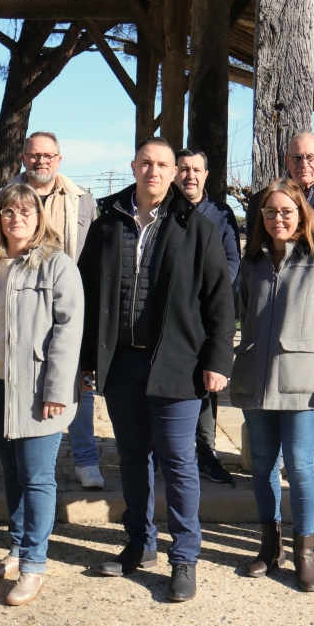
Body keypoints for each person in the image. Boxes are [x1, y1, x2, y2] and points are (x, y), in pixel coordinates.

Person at [77, 137, 234, 602]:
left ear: (174, 172)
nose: (154, 171)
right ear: (134, 166)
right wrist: (87, 360)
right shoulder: (108, 224)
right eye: (146, 163)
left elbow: (220, 300)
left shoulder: (196, 226)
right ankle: (140, 545)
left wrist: (217, 361)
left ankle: (183, 557)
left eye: (163, 164)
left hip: (177, 364)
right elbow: (87, 295)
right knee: (132, 457)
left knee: (178, 462)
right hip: (121, 363)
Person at [230, 179, 314, 591]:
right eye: (270, 212)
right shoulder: (252, 261)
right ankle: (270, 547)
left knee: (300, 466)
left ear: (302, 214)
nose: (277, 219)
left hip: (302, 380)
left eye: (286, 211)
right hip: (256, 379)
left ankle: (305, 553)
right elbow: (243, 312)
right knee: (263, 465)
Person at [0, 184, 84, 604]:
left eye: (26, 211)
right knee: (11, 471)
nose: (16, 218)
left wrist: (57, 388)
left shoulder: (57, 264)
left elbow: (68, 331)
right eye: (8, 211)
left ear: (40, 218)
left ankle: (34, 565)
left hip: (38, 388)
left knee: (37, 477)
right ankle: (19, 546)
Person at [0, 132, 104, 490]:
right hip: (20, 301)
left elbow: (91, 254)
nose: (41, 161)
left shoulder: (81, 199)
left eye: (48, 155)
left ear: (59, 160)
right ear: (23, 158)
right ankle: (19, 457)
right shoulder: (0, 198)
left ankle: (85, 458)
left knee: (75, 382)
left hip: (66, 296)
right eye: (34, 155)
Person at [247, 132, 314, 492]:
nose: (303, 164)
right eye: (296, 157)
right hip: (286, 305)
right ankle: (283, 462)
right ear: (287, 160)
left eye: (310, 157)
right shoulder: (266, 200)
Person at [176, 148, 240, 485]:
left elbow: (232, 263)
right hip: (169, 314)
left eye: (196, 170)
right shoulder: (163, 210)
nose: (190, 176)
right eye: (184, 169)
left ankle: (206, 452)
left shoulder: (221, 213)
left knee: (206, 382)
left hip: (205, 314)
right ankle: (162, 451)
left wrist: (204, 291)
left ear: (206, 174)